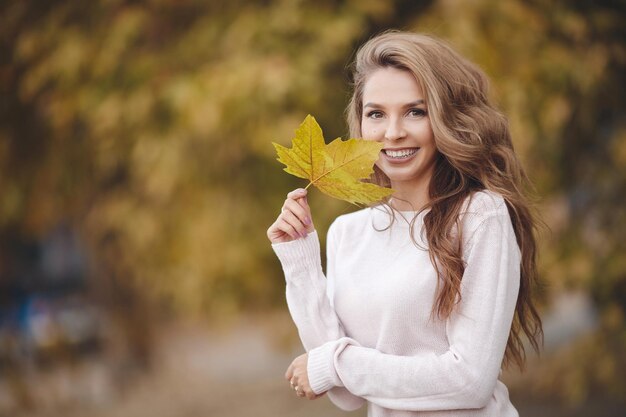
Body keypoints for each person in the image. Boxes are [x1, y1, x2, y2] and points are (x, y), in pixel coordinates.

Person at [266, 31, 542, 417]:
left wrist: (334, 364)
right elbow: (347, 395)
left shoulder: (481, 216)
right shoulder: (349, 233)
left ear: (446, 117)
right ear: (360, 123)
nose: (393, 132)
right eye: (376, 113)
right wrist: (301, 260)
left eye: (415, 111)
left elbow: (470, 382)